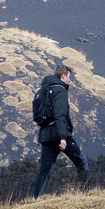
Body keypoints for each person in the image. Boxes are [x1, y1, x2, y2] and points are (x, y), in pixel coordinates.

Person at [30, 64, 88, 194]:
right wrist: (63, 137)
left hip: (45, 135)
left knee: (45, 170)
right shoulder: (60, 90)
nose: (69, 81)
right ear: (63, 76)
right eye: (68, 77)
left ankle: (36, 199)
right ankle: (87, 191)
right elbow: (60, 114)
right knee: (81, 161)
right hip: (59, 135)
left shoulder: (44, 89)